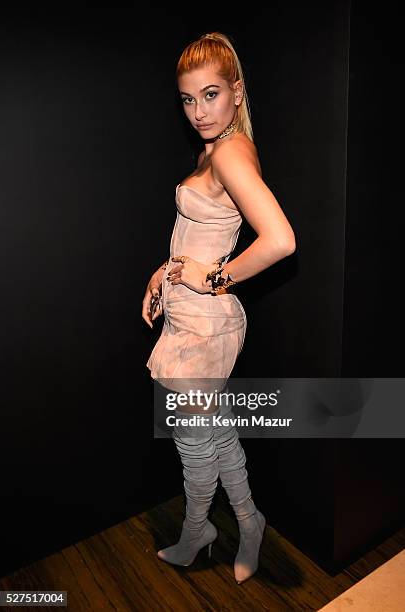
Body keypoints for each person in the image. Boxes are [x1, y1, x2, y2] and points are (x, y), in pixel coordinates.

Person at [142, 32, 296, 585]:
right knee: (215, 432)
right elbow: (200, 230)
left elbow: (280, 240)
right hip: (189, 315)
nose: (198, 111)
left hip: (205, 326)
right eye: (188, 99)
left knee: (192, 443)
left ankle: (197, 530)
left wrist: (219, 277)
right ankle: (250, 523)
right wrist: (169, 271)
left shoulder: (229, 153)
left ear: (236, 91)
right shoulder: (219, 145)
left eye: (210, 95)